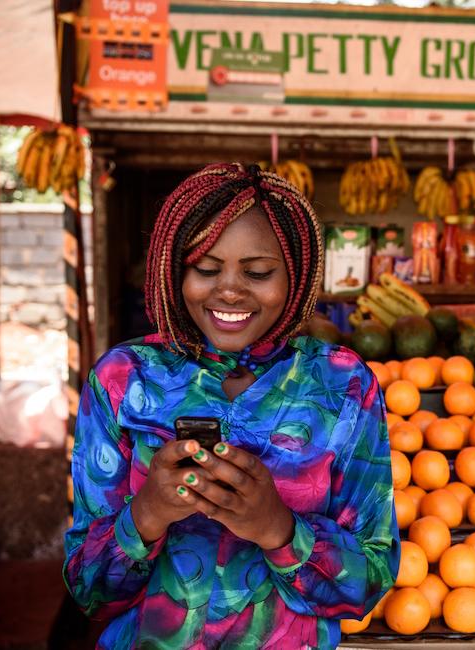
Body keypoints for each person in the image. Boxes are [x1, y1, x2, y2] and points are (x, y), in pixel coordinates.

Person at [64, 162, 399, 649]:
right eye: (205, 268)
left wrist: (278, 528)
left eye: (258, 272)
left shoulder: (343, 385)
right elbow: (86, 592)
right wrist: (149, 513)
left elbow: (366, 587)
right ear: (174, 269)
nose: (229, 289)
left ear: (297, 276)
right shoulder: (124, 380)